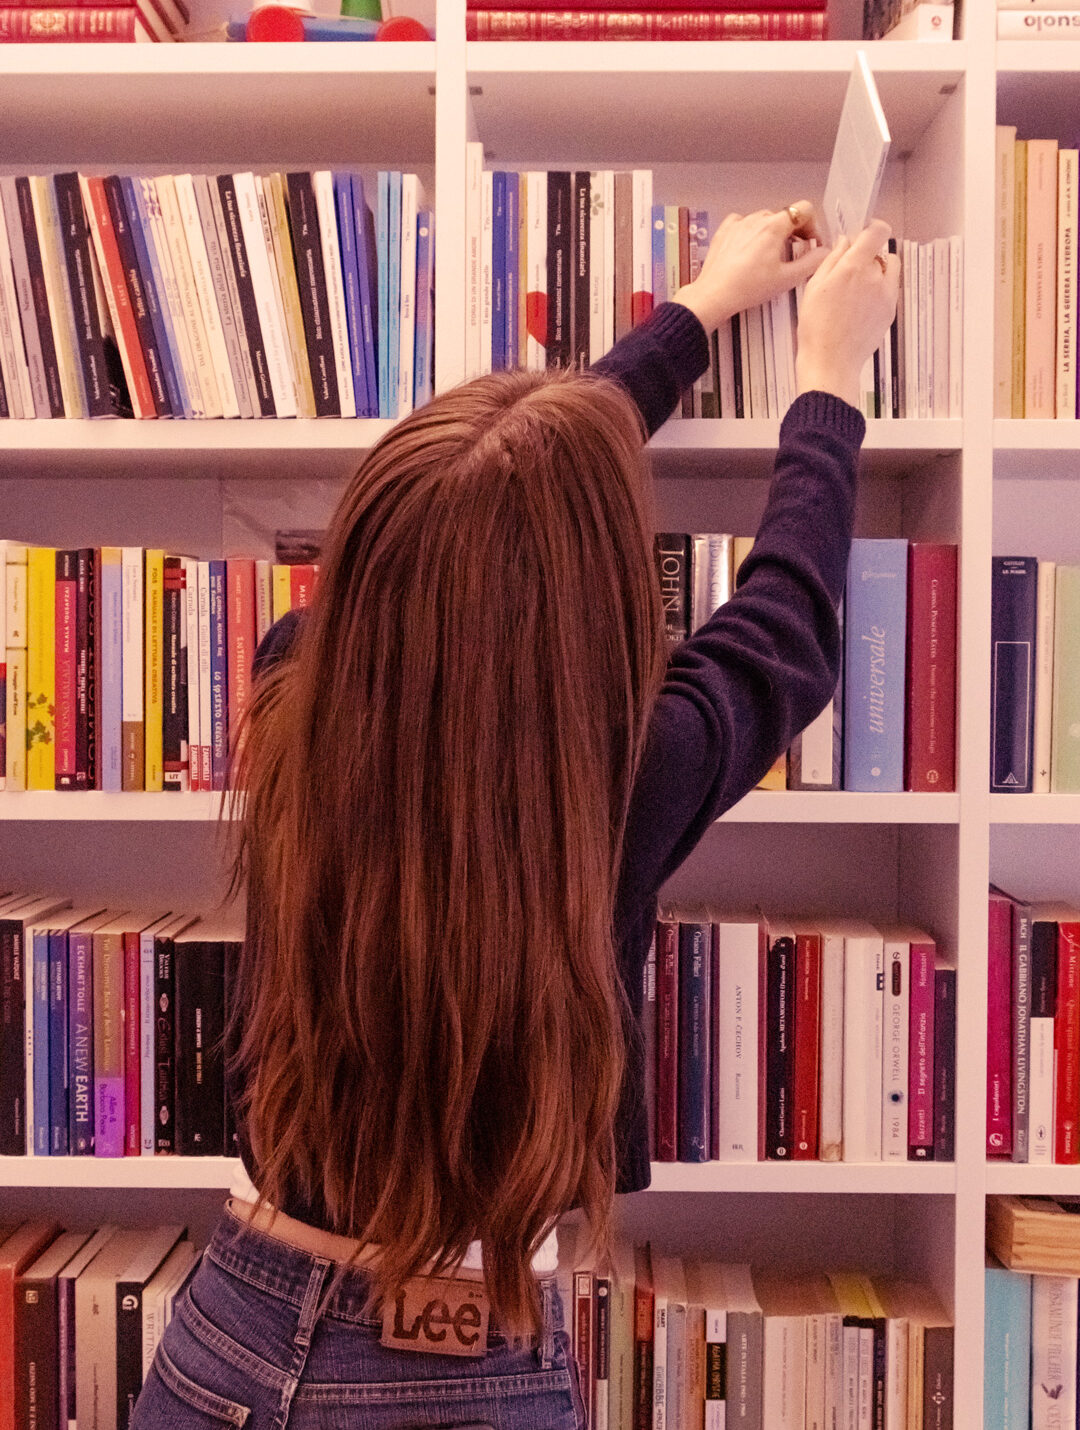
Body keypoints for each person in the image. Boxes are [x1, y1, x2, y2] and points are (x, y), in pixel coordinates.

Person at [132, 205, 899, 1430]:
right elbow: (788, 623)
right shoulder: (622, 777)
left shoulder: (290, 687)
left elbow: (483, 504)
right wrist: (827, 383)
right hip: (453, 1366)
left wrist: (695, 314)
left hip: (225, 1336)